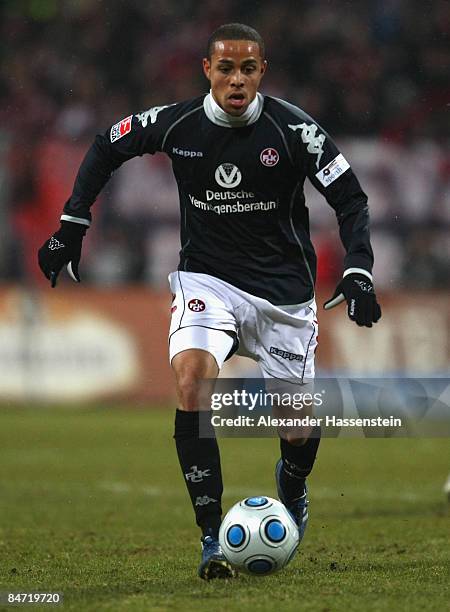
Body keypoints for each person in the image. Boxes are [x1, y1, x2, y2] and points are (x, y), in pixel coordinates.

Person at [38, 23, 381, 580]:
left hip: (284, 299)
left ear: (262, 72)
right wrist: (73, 223)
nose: (237, 80)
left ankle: (291, 484)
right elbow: (106, 144)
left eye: (248, 69)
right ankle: (210, 539)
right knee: (192, 378)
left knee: (297, 429)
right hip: (207, 282)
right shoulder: (178, 123)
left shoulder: (296, 131)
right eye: (226, 68)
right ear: (207, 70)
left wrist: (359, 267)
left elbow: (351, 199)